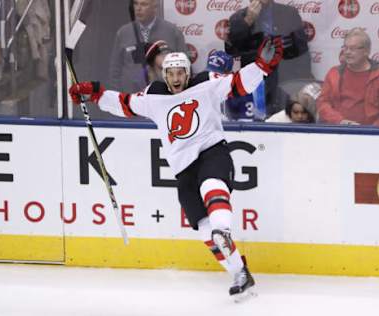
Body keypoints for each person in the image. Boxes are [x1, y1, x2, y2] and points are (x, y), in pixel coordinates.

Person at [69, 38, 284, 298]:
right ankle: (239, 272)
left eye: (180, 72)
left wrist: (261, 66)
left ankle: (223, 230)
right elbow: (126, 104)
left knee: (211, 187)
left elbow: (237, 84)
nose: (175, 78)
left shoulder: (206, 83)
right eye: (170, 73)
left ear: (188, 72)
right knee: (204, 227)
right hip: (183, 169)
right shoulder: (154, 95)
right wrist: (96, 94)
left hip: (212, 152)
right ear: (164, 75)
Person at [227, 0, 311, 116]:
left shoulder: (289, 13)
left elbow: (302, 52)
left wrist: (301, 85)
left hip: (284, 83)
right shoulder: (238, 18)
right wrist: (248, 21)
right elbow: (232, 51)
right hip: (254, 86)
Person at [317, 28, 379, 126]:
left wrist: (371, 132)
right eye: (345, 48)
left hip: (371, 135)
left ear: (366, 51)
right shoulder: (333, 73)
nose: (347, 52)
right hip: (338, 131)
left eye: (353, 48)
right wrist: (340, 121)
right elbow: (323, 104)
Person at [109, 0, 187, 93]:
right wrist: (117, 97)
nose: (138, 8)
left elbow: (185, 67)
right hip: (131, 98)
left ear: (155, 7)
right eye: (135, 4)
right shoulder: (123, 33)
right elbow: (115, 70)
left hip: (162, 96)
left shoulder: (172, 32)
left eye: (144, 4)